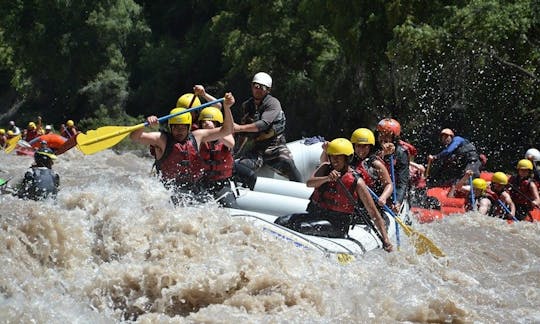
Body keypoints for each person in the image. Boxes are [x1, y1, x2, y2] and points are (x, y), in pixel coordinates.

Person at [275, 138, 393, 251]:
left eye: (339, 157)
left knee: (301, 227)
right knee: (281, 221)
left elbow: (373, 212)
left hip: (337, 224)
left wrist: (386, 239)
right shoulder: (325, 168)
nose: (334, 160)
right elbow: (309, 183)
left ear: (347, 158)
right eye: (332, 156)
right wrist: (327, 178)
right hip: (316, 214)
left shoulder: (357, 181)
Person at [130, 92, 236, 206]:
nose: (179, 131)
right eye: (176, 127)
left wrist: (227, 107)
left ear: (189, 127)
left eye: (183, 127)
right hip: (169, 189)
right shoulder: (161, 139)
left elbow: (227, 130)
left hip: (194, 189)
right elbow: (135, 137)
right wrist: (145, 124)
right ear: (170, 127)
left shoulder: (198, 136)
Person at [232, 72, 303, 189]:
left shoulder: (273, 103)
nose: (258, 90)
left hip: (275, 147)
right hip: (256, 149)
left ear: (268, 90)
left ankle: (301, 188)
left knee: (287, 162)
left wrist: (239, 128)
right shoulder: (246, 106)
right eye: (256, 86)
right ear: (252, 86)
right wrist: (236, 152)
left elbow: (263, 124)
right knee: (241, 166)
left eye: (263, 87)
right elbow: (243, 134)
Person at [196, 106, 237, 207]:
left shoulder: (226, 137)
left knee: (231, 207)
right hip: (202, 183)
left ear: (217, 124)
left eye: (211, 121)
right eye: (204, 121)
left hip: (221, 184)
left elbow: (231, 144)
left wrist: (217, 132)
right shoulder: (197, 138)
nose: (207, 123)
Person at [375, 118, 410, 211]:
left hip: (395, 193)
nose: (383, 138)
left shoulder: (401, 153)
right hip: (377, 191)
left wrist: (397, 201)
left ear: (394, 138)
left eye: (387, 135)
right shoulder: (373, 149)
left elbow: (402, 182)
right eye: (381, 134)